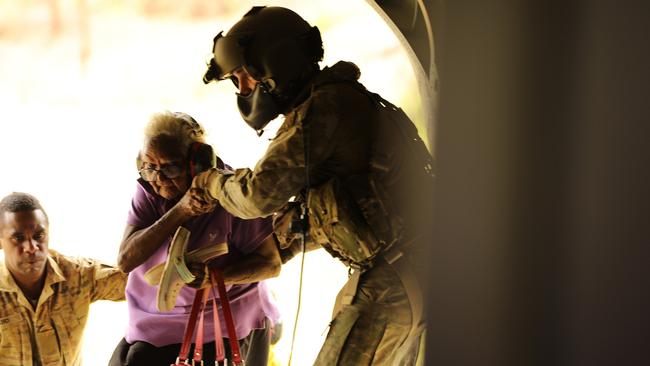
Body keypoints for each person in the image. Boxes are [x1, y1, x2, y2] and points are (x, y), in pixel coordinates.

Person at [194, 6, 434, 365]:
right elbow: (350, 208)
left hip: (392, 285)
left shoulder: (324, 109)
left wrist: (211, 181)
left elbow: (257, 196)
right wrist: (279, 247)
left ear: (273, 67)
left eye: (243, 77)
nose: (242, 90)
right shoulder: (344, 98)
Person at [108, 111, 281, 366]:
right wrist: (181, 211)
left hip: (223, 317)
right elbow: (126, 260)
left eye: (170, 167)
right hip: (155, 319)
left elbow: (271, 264)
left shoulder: (232, 193)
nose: (158, 179)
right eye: (150, 168)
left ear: (197, 163)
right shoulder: (149, 190)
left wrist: (216, 277)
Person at [0, 192, 128, 366]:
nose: (31, 247)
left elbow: (144, 283)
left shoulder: (78, 275)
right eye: (18, 238)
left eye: (39, 236)